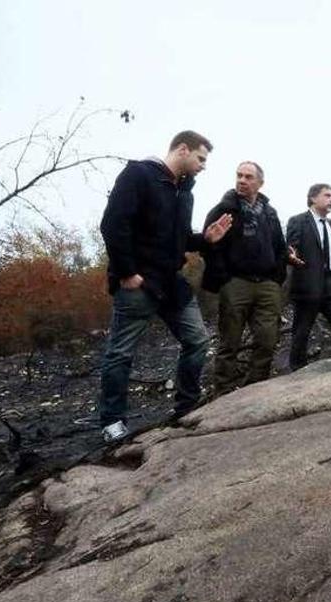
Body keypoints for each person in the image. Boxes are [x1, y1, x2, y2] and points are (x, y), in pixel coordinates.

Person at [98, 130, 230, 443]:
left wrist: (205, 240)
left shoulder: (185, 191)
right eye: (200, 158)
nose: (203, 166)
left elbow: (180, 239)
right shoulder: (139, 175)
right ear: (182, 149)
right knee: (120, 353)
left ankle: (186, 408)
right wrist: (127, 273)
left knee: (198, 341)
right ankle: (112, 422)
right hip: (139, 283)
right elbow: (113, 224)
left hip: (172, 282)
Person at [201, 161, 287, 394]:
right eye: (239, 175)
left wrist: (277, 276)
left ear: (260, 183)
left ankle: (254, 389)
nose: (242, 180)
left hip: (267, 284)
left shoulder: (270, 212)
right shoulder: (223, 209)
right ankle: (224, 392)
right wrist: (224, 278)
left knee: (267, 340)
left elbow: (280, 246)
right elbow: (208, 245)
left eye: (248, 177)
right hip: (236, 283)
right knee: (229, 342)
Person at [285, 184, 331, 370]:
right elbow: (291, 249)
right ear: (313, 198)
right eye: (327, 195)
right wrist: (291, 256)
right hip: (308, 285)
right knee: (302, 331)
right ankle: (297, 371)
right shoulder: (298, 221)